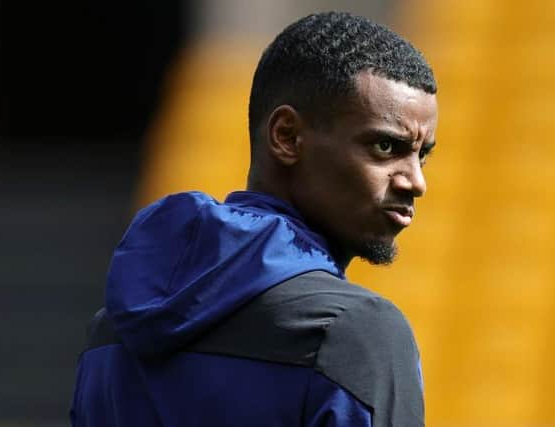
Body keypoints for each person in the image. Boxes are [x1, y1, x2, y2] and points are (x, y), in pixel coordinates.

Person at [70, 11, 437, 427]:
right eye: (386, 147)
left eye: (422, 155)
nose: (416, 182)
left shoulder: (111, 333)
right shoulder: (353, 331)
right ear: (286, 136)